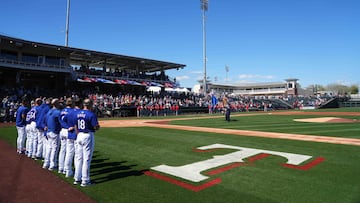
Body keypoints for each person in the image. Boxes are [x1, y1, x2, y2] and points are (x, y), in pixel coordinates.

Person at [73, 98, 100, 187]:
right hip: (87, 135)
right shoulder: (91, 114)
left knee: (78, 158)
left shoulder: (77, 113)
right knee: (86, 159)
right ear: (90, 105)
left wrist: (77, 134)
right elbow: (95, 126)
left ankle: (77, 178)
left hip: (79, 135)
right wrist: (98, 127)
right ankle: (85, 180)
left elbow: (75, 125)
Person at [64, 98, 82, 178]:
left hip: (69, 133)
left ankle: (67, 171)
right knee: (78, 155)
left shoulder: (70, 112)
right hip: (76, 134)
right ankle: (77, 174)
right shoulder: (79, 112)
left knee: (69, 153)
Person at [43, 98, 61, 171]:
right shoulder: (57, 112)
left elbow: (45, 120)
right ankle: (52, 164)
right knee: (54, 149)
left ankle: (46, 163)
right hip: (55, 131)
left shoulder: (49, 111)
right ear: (56, 104)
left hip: (49, 131)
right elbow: (61, 121)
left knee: (49, 148)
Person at [58, 98, 73, 174]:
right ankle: (67, 169)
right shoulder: (72, 111)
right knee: (69, 151)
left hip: (62, 130)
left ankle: (61, 167)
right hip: (68, 130)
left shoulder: (62, 111)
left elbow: (59, 120)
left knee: (62, 150)